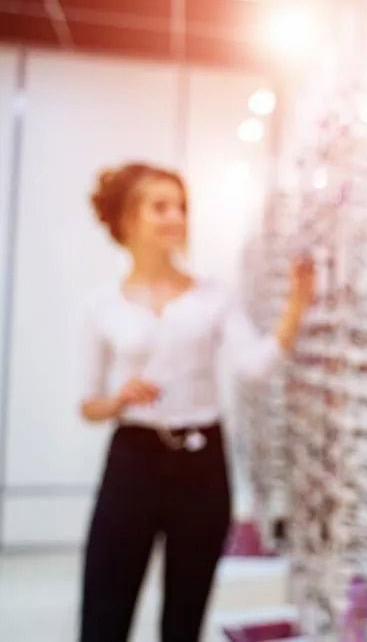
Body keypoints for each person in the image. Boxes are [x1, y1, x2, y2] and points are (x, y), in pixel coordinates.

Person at [77, 162, 314, 642]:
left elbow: (253, 366)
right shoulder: (103, 303)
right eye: (159, 207)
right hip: (132, 457)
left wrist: (296, 307)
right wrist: (120, 398)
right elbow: (88, 404)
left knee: (185, 614)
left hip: (201, 462)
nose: (175, 217)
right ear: (127, 218)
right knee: (105, 606)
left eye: (181, 207)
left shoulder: (214, 296)